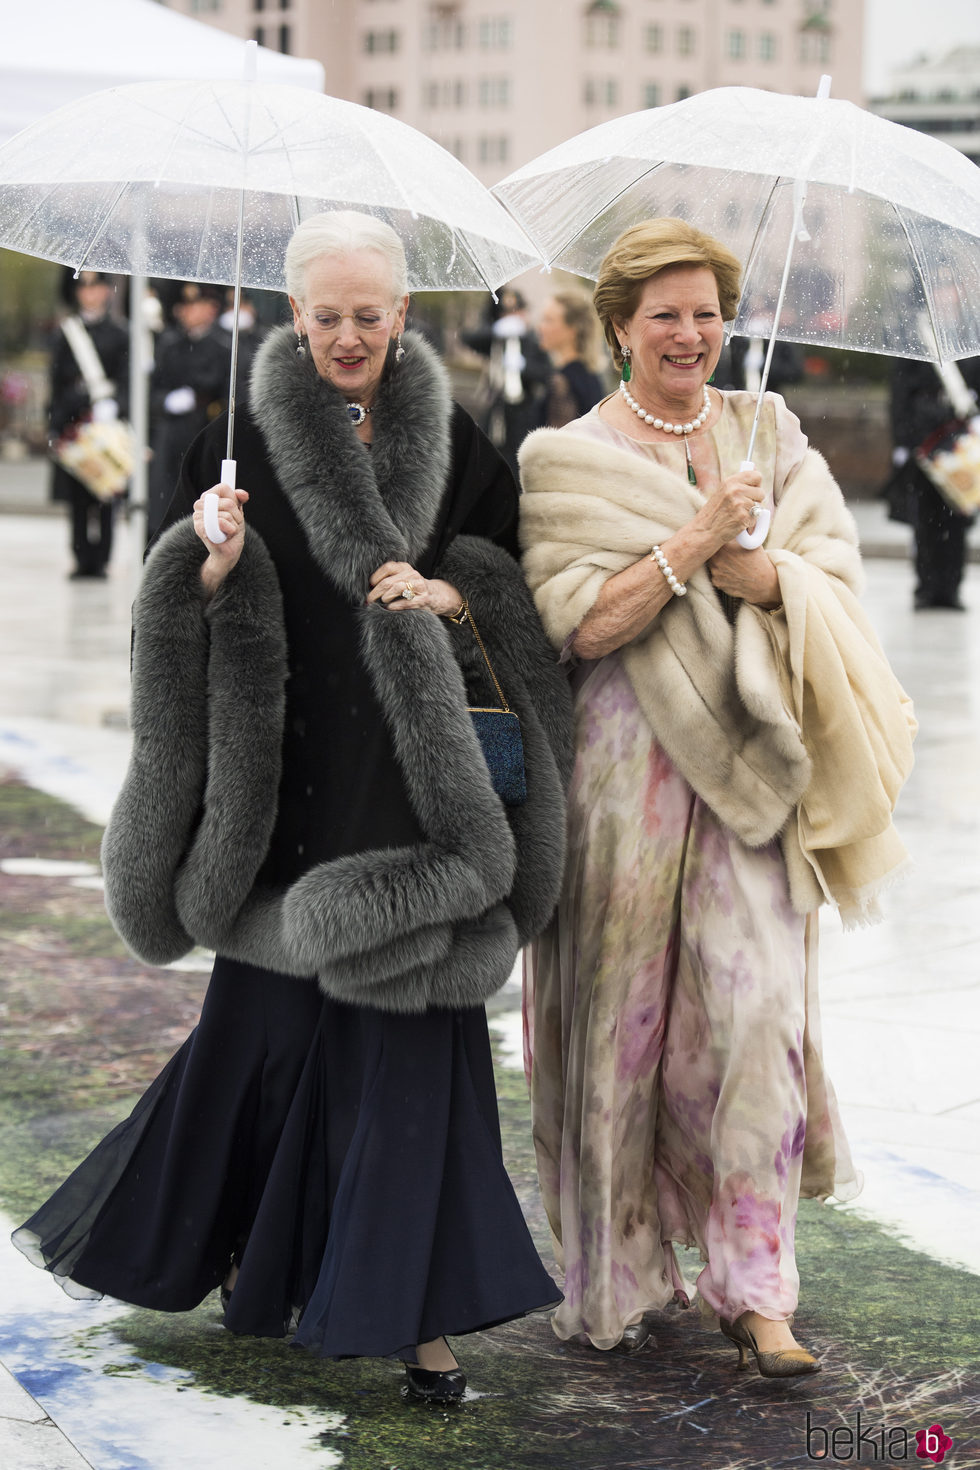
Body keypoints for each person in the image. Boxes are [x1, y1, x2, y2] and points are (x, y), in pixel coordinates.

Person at [13, 212, 572, 1405]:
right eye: (328, 317)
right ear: (293, 314)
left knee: (414, 1041)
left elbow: (502, 584)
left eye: (371, 316)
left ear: (404, 318)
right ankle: (242, 1258)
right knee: (260, 1043)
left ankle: (421, 1319)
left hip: (413, 784)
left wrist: (448, 592)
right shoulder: (234, 437)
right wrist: (204, 558)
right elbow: (174, 598)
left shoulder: (460, 441)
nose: (349, 337)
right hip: (286, 781)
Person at [518, 218, 916, 1375]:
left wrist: (771, 570)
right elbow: (581, 623)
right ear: (619, 329)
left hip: (754, 770)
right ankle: (623, 1272)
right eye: (664, 315)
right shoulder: (564, 456)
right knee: (620, 1031)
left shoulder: (772, 432)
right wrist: (695, 538)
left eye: (704, 312)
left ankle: (756, 1286)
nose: (688, 334)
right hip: (622, 782)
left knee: (755, 1022)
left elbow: (832, 578)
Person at [48, 270, 129, 579]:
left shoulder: (120, 333)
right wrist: (56, 424)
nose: (90, 292)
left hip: (107, 422)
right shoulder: (65, 333)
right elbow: (56, 381)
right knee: (78, 496)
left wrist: (116, 405)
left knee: (107, 493)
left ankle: (103, 559)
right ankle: (81, 558)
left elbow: (126, 377)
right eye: (83, 286)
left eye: (96, 285)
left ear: (106, 291)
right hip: (75, 423)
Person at [887, 355, 980, 610]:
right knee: (926, 521)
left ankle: (950, 590)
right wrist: (902, 442)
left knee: (957, 521)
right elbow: (900, 397)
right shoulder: (916, 347)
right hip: (924, 443)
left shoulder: (969, 345)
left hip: (959, 443)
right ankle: (926, 588)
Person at [147, 281, 232, 538]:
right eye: (185, 306)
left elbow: (229, 397)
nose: (188, 312)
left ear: (211, 309)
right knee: (163, 503)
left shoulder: (224, 348)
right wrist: (166, 402)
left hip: (203, 432)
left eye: (197, 305)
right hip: (171, 435)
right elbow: (152, 393)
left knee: (201, 500)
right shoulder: (169, 345)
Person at [462, 287, 553, 477]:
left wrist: (523, 367)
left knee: (520, 463)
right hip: (497, 408)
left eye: (516, 312)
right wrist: (497, 329)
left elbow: (546, 374)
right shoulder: (497, 338)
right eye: (506, 313)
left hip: (524, 409)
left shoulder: (531, 340)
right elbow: (468, 338)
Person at [535, 290, 606, 428]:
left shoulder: (562, 382)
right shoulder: (589, 375)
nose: (540, 327)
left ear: (573, 329)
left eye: (549, 320)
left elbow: (558, 442)